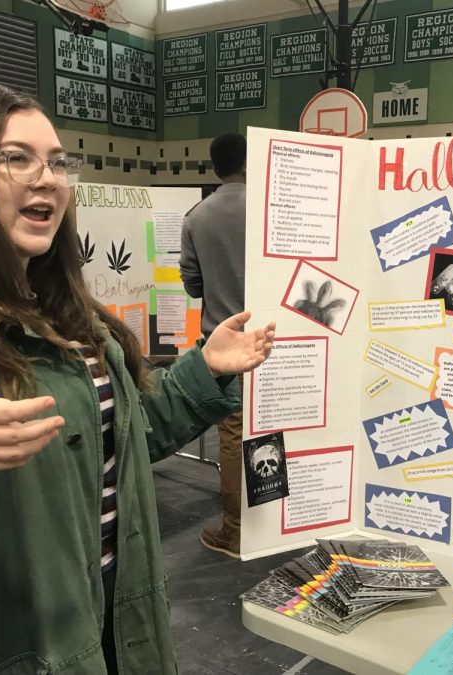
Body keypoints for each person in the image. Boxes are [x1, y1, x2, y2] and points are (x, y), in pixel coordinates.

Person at [0, 84, 275, 674]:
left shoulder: (69, 318)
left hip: (114, 632)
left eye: (59, 161)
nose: (49, 179)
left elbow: (123, 445)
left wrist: (204, 370)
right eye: (17, 158)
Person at [179, 132, 247, 557]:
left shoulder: (196, 217)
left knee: (235, 434)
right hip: (284, 340)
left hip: (226, 345)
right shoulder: (274, 209)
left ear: (215, 168)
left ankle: (236, 530)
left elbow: (192, 284)